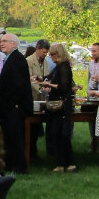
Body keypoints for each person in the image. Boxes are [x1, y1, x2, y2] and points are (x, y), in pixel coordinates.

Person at [0, 33, 33, 174]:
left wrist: (15, 104)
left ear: (14, 44)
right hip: (9, 106)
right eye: (1, 41)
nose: (2, 43)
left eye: (5, 41)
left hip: (14, 106)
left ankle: (19, 166)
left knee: (15, 137)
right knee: (9, 136)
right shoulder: (10, 58)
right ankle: (10, 163)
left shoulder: (17, 59)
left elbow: (19, 84)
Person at [39, 43, 76, 172]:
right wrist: (41, 79)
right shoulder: (57, 67)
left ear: (59, 54)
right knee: (57, 134)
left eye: (53, 54)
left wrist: (50, 85)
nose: (51, 57)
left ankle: (68, 163)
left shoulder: (64, 67)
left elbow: (64, 86)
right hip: (56, 105)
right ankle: (62, 163)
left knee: (63, 134)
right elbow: (49, 78)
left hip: (62, 105)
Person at [26, 40, 53, 158]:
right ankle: (30, 150)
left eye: (46, 53)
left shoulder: (46, 62)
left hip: (42, 97)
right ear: (37, 49)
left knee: (38, 126)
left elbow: (45, 78)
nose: (45, 55)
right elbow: (29, 80)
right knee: (31, 126)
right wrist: (41, 87)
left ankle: (34, 150)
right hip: (32, 96)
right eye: (43, 52)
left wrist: (47, 85)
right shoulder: (28, 61)